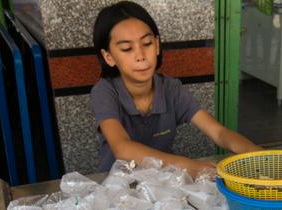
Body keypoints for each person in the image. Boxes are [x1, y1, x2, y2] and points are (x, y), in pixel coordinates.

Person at [91, 1, 261, 175]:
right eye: (127, 48)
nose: (140, 56)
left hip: (162, 185)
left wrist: (257, 155)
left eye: (147, 44)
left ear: (157, 45)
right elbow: (122, 148)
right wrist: (191, 166)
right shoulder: (105, 91)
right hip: (117, 189)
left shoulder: (171, 89)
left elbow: (218, 133)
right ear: (108, 57)